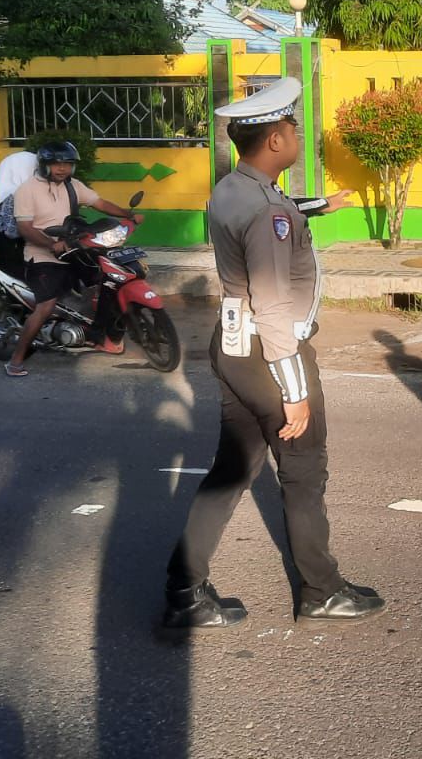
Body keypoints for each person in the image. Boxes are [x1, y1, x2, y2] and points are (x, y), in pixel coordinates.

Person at [163, 77, 384, 628]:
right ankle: (321, 591)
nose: (297, 137)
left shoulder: (234, 188)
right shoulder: (267, 211)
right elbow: (273, 303)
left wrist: (320, 206)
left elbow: (278, 212)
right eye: (292, 128)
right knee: (304, 470)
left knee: (233, 469)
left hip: (233, 345)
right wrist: (294, 390)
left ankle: (184, 592)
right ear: (275, 140)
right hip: (270, 350)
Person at [3, 141, 142, 377]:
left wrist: (128, 214)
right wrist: (51, 244)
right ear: (44, 165)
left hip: (74, 249)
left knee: (108, 283)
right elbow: (25, 228)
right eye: (56, 164)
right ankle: (15, 360)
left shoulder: (73, 186)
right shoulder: (27, 190)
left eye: (67, 164)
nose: (62, 168)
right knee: (46, 305)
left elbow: (99, 203)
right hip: (42, 255)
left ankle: (101, 336)